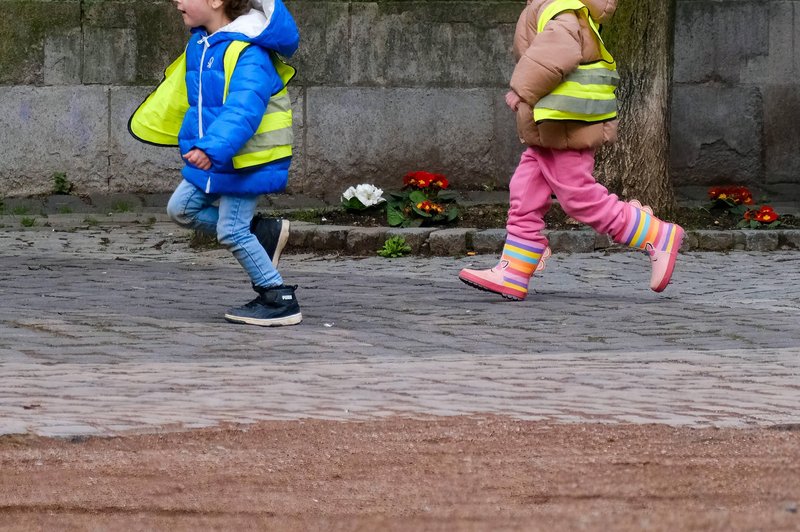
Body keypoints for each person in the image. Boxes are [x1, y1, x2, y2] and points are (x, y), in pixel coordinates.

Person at [459, 0, 684, 301]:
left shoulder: (559, 8)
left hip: (566, 126)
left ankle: (655, 234)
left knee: (578, 197)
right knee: (524, 190)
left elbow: (556, 53)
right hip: (553, 126)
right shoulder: (558, 7)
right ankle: (514, 269)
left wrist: (522, 89)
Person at [129, 0, 302, 326]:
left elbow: (243, 109)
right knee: (181, 209)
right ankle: (261, 232)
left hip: (245, 159)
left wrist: (211, 148)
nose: (176, 1)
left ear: (215, 1)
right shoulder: (202, 45)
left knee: (230, 229)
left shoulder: (248, 50)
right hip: (218, 155)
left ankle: (277, 296)